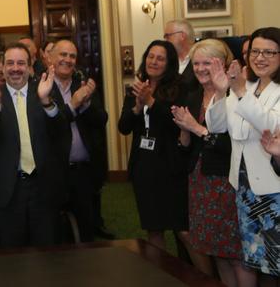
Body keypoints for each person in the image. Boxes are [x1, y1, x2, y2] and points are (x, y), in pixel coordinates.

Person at [171, 39, 254, 287]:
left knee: (235, 252)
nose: (200, 68)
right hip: (200, 181)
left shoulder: (236, 93)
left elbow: (232, 145)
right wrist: (184, 131)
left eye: (207, 62)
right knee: (216, 250)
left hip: (228, 181)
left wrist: (195, 128)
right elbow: (186, 148)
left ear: (223, 63)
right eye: (196, 63)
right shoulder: (192, 94)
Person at [206, 27, 280, 284]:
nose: (260, 57)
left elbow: (269, 125)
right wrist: (219, 91)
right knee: (255, 260)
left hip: (274, 190)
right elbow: (216, 127)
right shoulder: (245, 86)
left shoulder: (268, 90)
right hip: (244, 188)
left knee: (275, 263)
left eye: (269, 52)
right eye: (255, 52)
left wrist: (239, 92)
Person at [0, 42, 66, 247]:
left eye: (20, 63)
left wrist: (46, 101)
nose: (15, 68)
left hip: (43, 188)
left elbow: (61, 131)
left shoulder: (45, 91)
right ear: (2, 68)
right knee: (12, 257)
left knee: (47, 253)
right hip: (7, 190)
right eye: (10, 63)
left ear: (29, 66)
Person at [118, 40, 187, 251]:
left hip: (170, 165)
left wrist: (151, 103)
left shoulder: (180, 88)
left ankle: (200, 276)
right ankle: (161, 274)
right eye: (150, 56)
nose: (154, 61)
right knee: (153, 227)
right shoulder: (136, 87)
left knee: (182, 228)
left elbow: (178, 125)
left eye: (160, 58)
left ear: (169, 63)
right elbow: (124, 127)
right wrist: (137, 108)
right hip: (144, 165)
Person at [48, 39, 109, 242]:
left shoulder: (83, 85)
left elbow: (102, 119)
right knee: (56, 232)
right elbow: (48, 127)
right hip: (54, 172)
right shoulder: (40, 88)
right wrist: (73, 105)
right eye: (62, 55)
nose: (68, 60)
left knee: (86, 230)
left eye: (72, 56)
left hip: (82, 172)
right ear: (50, 58)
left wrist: (87, 104)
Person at [164, 19, 198, 89]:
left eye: (168, 36)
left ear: (182, 36)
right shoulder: (166, 61)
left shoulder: (203, 59)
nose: (165, 40)